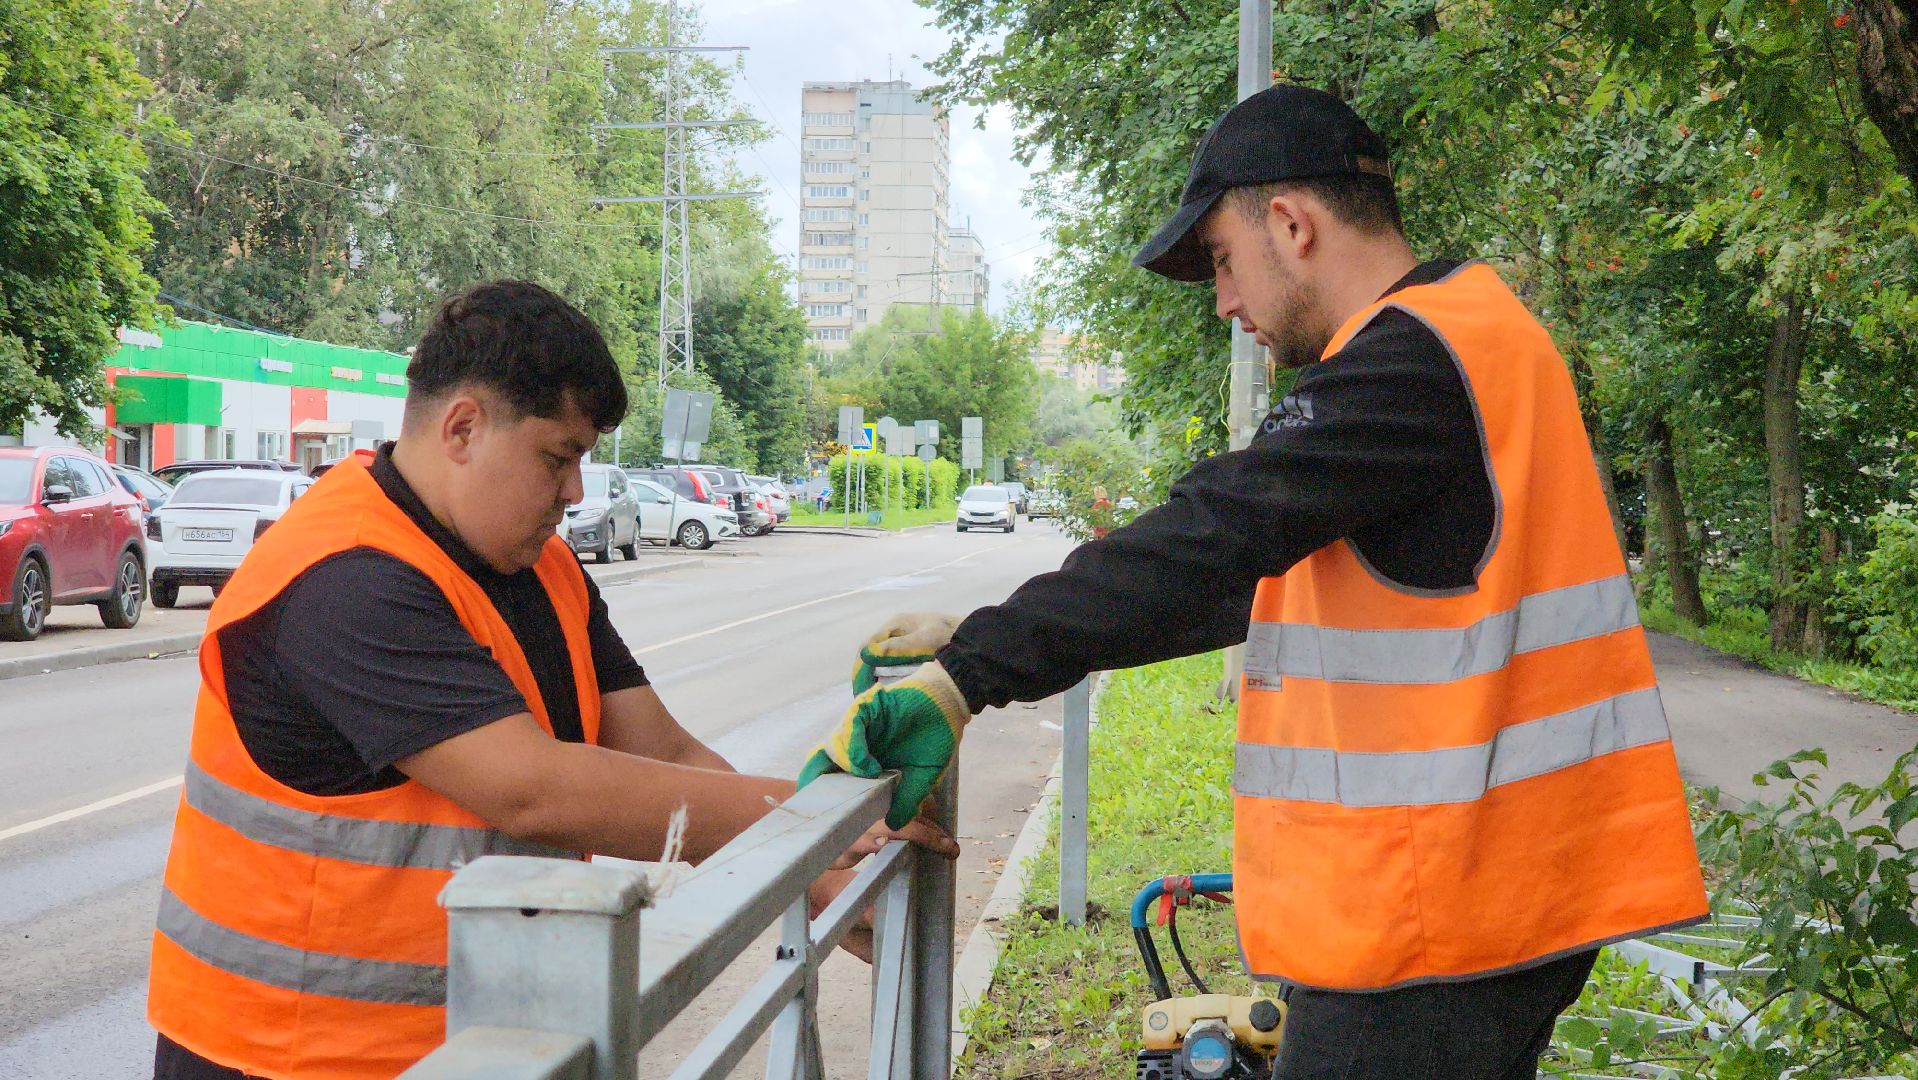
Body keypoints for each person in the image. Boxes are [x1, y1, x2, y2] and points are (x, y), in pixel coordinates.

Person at [798, 86, 1708, 1079]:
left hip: (1439, 921)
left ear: (1290, 223)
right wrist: (984, 647)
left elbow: (1210, 538)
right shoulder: (1472, 343)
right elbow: (1235, 581)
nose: (1226, 304)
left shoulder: (1411, 362)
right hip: (1481, 899)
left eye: (1224, 262)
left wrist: (962, 674)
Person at [147, 280, 954, 1080]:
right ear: (462, 428)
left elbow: (661, 747)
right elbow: (533, 789)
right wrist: (806, 823)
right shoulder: (345, 577)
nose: (575, 492)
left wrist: (810, 869)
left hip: (499, 1040)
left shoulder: (543, 566)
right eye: (557, 457)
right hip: (285, 1055)